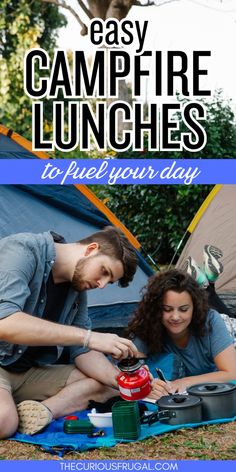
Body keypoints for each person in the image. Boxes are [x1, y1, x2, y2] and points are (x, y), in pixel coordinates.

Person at [0, 227, 139, 438]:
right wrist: (90, 337)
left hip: (26, 371)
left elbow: (80, 351)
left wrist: (128, 382)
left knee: (111, 387)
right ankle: (10, 412)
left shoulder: (76, 288)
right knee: (4, 421)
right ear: (91, 249)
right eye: (104, 271)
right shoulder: (22, 250)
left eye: (108, 281)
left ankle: (42, 411)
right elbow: (6, 322)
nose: (101, 285)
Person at [126, 268, 236, 401]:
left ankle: (209, 284)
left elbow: (232, 373)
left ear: (194, 307)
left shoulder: (210, 321)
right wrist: (148, 386)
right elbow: (130, 371)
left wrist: (185, 382)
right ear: (156, 308)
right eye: (167, 309)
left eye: (183, 309)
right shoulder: (148, 325)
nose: (175, 317)